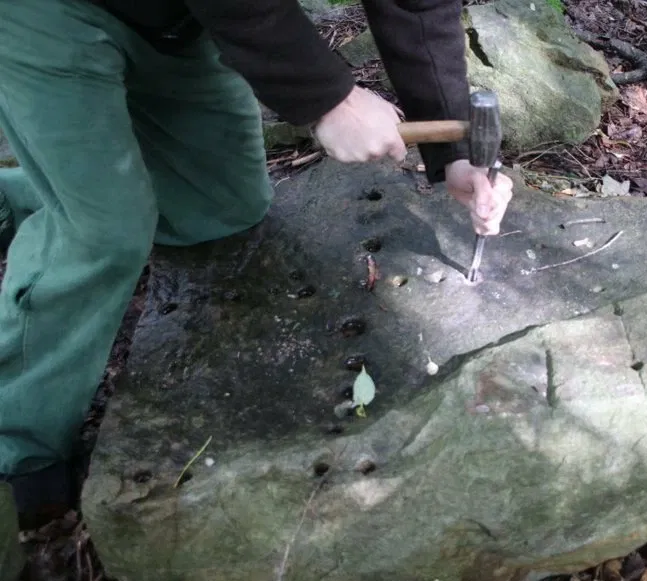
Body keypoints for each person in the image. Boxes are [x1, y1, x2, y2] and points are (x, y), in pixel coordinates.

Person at [0, 0, 513, 576]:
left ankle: (39, 190)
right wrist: (330, 100)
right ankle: (17, 443)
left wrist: (456, 155)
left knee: (223, 213)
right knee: (105, 234)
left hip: (179, 19)